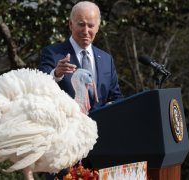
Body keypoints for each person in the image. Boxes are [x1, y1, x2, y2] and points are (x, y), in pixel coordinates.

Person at [38, 1, 123, 179]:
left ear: (98, 27)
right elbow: (39, 86)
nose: (86, 31)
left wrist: (113, 105)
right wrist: (56, 73)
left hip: (101, 149)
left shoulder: (106, 59)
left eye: (91, 25)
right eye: (81, 24)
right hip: (65, 149)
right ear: (70, 24)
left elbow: (116, 96)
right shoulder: (53, 54)